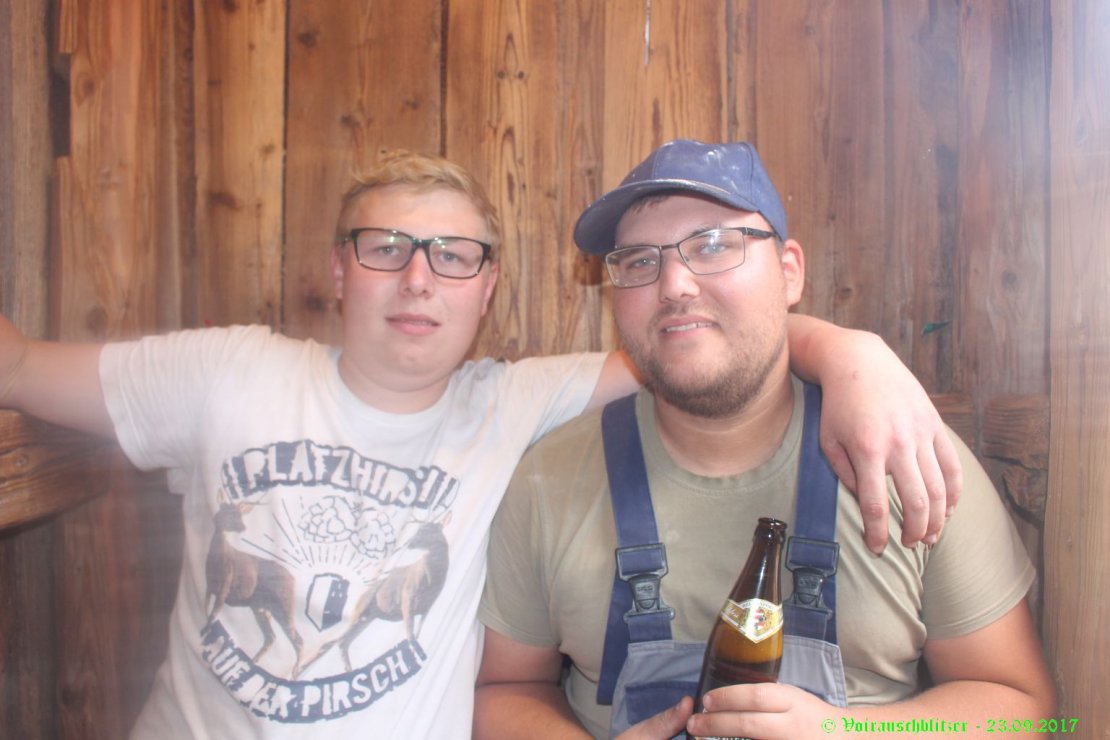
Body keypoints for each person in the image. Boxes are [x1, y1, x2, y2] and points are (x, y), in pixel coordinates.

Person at [1, 149, 958, 739]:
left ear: (486, 289)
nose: (418, 279)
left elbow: (705, 341)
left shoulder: (513, 404)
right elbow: (17, 366)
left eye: (453, 256)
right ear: (339, 271)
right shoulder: (226, 374)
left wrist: (853, 353)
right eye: (385, 247)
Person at [474, 140, 1056, 739]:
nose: (674, 284)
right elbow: (504, 690)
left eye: (714, 245)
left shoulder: (904, 455)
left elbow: (1024, 709)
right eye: (640, 261)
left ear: (789, 272)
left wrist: (849, 734)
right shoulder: (551, 480)